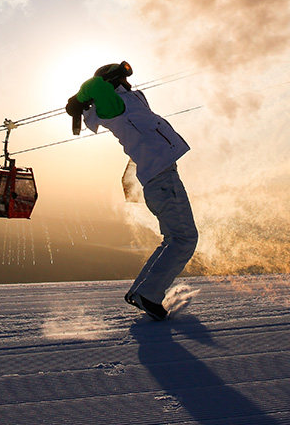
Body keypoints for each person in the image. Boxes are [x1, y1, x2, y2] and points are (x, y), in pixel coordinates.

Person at [66, 61, 198, 320]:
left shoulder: (127, 102)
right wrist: (78, 99)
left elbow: (112, 91)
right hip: (162, 178)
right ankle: (148, 294)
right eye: (123, 79)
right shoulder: (114, 105)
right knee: (184, 238)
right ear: (113, 81)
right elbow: (94, 85)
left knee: (175, 238)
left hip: (161, 177)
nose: (129, 83)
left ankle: (143, 292)